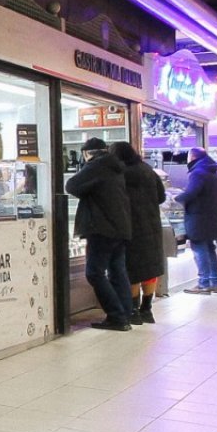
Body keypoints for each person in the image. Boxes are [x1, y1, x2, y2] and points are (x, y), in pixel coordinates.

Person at [65, 137, 136, 330]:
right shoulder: (115, 166)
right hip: (120, 227)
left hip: (102, 228)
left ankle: (116, 316)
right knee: (117, 271)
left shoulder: (96, 165)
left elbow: (71, 185)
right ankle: (125, 315)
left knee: (94, 273)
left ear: (87, 153)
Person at [113, 142, 168, 323]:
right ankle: (147, 309)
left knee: (133, 270)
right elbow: (161, 197)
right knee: (150, 269)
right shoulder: (148, 170)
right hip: (152, 225)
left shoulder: (121, 173)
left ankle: (133, 311)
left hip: (131, 226)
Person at [176, 148, 217, 294]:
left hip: (198, 217)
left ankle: (204, 283)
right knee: (209, 248)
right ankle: (216, 282)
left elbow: (191, 192)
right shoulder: (212, 172)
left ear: (192, 157)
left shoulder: (198, 173)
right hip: (211, 216)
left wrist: (176, 198)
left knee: (199, 248)